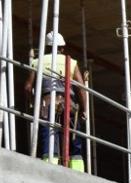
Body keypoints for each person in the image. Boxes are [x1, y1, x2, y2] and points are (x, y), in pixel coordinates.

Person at [25, 31, 89, 171]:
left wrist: (32, 104)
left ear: (47, 47)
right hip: (69, 106)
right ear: (62, 48)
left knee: (48, 139)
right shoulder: (71, 63)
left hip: (46, 106)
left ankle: (50, 169)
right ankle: (77, 172)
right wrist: (84, 109)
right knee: (74, 141)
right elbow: (81, 88)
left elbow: (28, 87)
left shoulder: (37, 62)